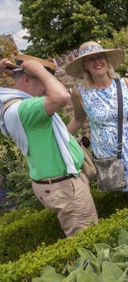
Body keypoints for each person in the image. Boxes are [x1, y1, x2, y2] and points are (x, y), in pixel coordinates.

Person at [0, 55, 99, 237]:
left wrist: (20, 74)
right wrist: (38, 69)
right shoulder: (25, 109)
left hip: (60, 184)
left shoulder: (19, 105)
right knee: (89, 241)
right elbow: (61, 97)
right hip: (65, 186)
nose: (47, 87)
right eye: (44, 80)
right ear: (28, 78)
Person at [65, 41, 128, 204]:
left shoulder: (125, 84)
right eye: (91, 59)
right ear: (85, 66)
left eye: (100, 56)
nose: (97, 61)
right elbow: (78, 119)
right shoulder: (80, 92)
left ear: (107, 60)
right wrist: (60, 139)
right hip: (110, 153)